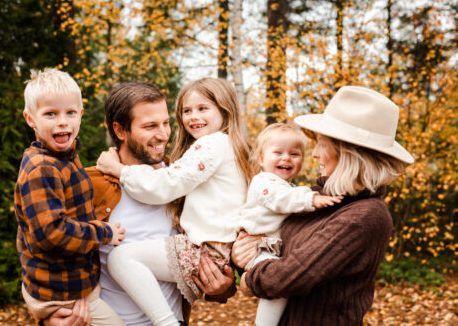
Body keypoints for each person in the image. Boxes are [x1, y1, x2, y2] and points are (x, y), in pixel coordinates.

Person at [233, 85, 414, 325]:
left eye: (321, 143)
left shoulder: (365, 215)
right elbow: (271, 248)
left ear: (347, 152)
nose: (315, 154)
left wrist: (248, 281)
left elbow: (289, 276)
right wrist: (241, 254)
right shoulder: (318, 197)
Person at [96, 77, 252, 326]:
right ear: (120, 130)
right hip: (110, 320)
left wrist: (223, 288)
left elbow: (163, 186)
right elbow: (55, 242)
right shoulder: (92, 184)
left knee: (121, 258)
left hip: (200, 263)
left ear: (225, 110)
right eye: (186, 111)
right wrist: (52, 307)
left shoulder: (182, 170)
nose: (163, 134)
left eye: (166, 123)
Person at [14, 68, 125, 326]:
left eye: (70, 112)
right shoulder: (42, 168)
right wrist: (104, 233)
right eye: (50, 114)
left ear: (81, 115)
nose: (62, 121)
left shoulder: (65, 156)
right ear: (30, 119)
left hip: (73, 283)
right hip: (60, 293)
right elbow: (51, 233)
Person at [237, 123, 342, 326]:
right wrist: (311, 199)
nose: (286, 158)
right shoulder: (264, 183)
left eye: (294, 154)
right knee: (276, 285)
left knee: (277, 282)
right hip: (258, 248)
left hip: (269, 248)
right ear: (261, 158)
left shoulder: (288, 187)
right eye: (278, 152)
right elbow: (280, 198)